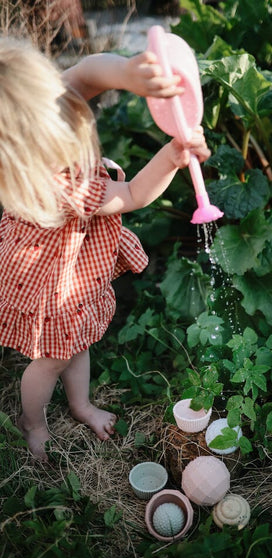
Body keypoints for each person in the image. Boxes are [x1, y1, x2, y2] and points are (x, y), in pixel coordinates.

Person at [0, 37, 210, 460]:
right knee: (50, 360)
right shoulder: (60, 187)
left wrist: (129, 74)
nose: (74, 111)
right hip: (53, 280)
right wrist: (171, 156)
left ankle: (79, 405)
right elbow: (133, 193)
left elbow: (84, 74)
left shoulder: (40, 104)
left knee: (77, 342)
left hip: (68, 270)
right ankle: (33, 422)